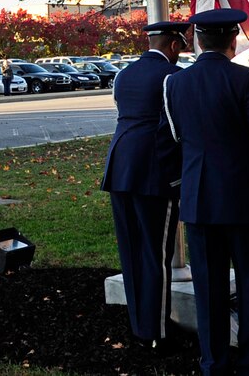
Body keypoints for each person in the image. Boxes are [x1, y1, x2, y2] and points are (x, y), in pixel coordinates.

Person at [163, 9, 249, 376]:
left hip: (199, 200)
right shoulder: (245, 80)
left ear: (198, 40)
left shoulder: (174, 83)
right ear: (233, 39)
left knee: (208, 289)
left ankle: (213, 367)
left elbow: (172, 140)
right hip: (244, 199)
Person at [101, 20, 189, 347]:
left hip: (121, 167)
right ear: (174, 45)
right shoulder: (174, 77)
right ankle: (158, 333)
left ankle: (140, 326)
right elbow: (178, 128)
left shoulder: (124, 74)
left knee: (132, 254)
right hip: (154, 171)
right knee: (156, 255)